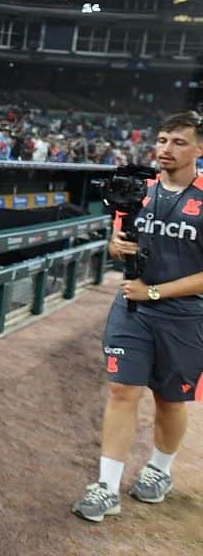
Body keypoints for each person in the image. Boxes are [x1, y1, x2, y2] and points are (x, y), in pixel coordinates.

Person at [72, 111, 203, 522]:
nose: (166, 148)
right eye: (162, 139)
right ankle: (107, 487)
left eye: (178, 142)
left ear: (199, 149)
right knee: (122, 391)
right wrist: (118, 248)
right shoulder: (137, 190)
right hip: (133, 309)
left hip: (185, 315)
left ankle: (160, 471)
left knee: (169, 400)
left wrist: (157, 291)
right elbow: (116, 243)